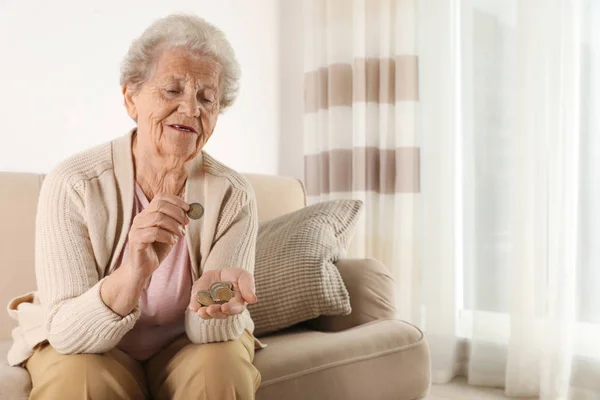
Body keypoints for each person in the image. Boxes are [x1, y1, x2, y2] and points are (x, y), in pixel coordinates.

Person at [6, 13, 262, 399]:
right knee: (79, 380)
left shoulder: (232, 194)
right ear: (130, 98)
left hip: (185, 346)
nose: (191, 110)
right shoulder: (74, 183)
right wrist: (133, 273)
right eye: (173, 90)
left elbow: (210, 335)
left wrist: (218, 306)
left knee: (219, 367)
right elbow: (67, 333)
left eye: (206, 98)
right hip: (85, 343)